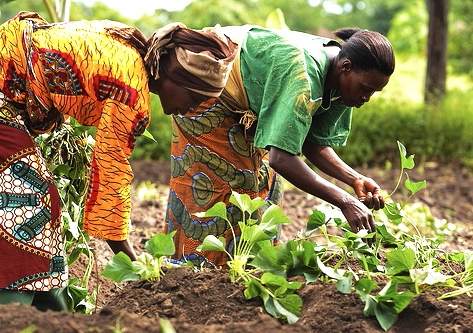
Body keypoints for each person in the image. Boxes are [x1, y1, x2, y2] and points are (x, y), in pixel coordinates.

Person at [0, 11, 237, 312]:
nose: (194, 108)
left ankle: (55, 318)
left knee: (40, 204)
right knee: (21, 204)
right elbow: (110, 178)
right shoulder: (131, 91)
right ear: (177, 79)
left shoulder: (130, 44)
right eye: (196, 97)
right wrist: (134, 265)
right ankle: (4, 316)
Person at [165, 25, 395, 268]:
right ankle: (193, 275)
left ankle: (251, 272)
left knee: (265, 187)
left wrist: (354, 179)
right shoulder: (303, 74)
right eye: (366, 89)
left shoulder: (342, 83)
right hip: (207, 91)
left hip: (249, 108)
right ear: (346, 67)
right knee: (219, 187)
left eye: (373, 92)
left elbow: (313, 143)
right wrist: (345, 202)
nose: (366, 98)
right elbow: (282, 158)